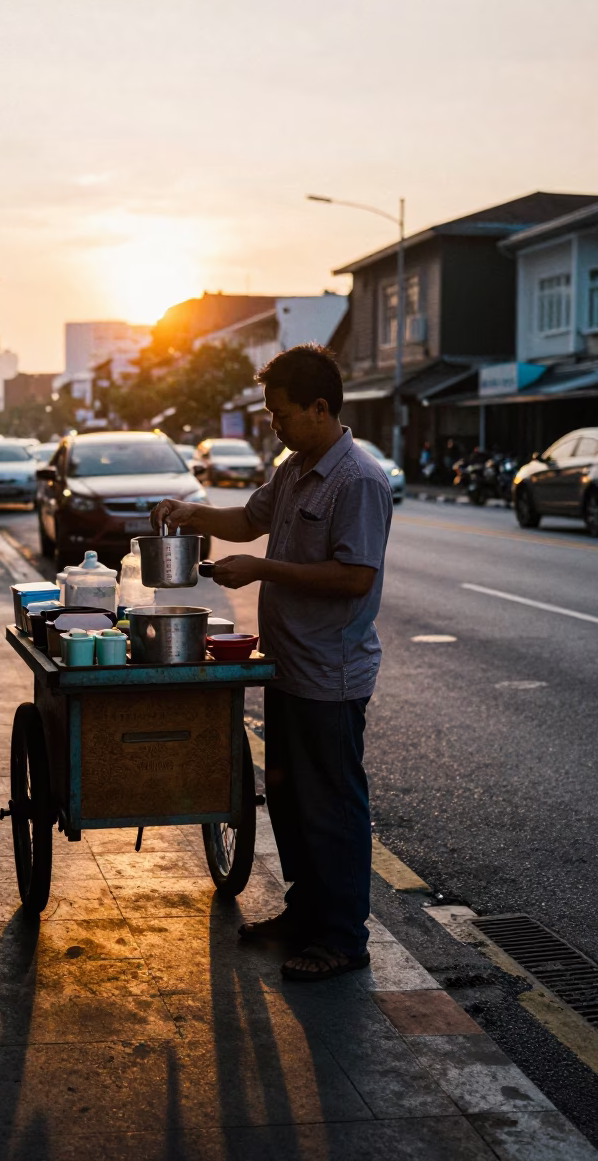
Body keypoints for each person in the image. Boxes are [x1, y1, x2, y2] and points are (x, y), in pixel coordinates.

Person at [152, 344, 393, 983]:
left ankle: (341, 938)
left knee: (330, 806)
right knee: (288, 801)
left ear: (320, 407)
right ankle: (304, 914)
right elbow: (248, 518)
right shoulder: (293, 468)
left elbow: (352, 577)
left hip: (331, 674)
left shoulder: (358, 480)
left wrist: (260, 570)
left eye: (281, 413)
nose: (274, 425)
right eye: (269, 414)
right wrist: (188, 511)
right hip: (285, 665)